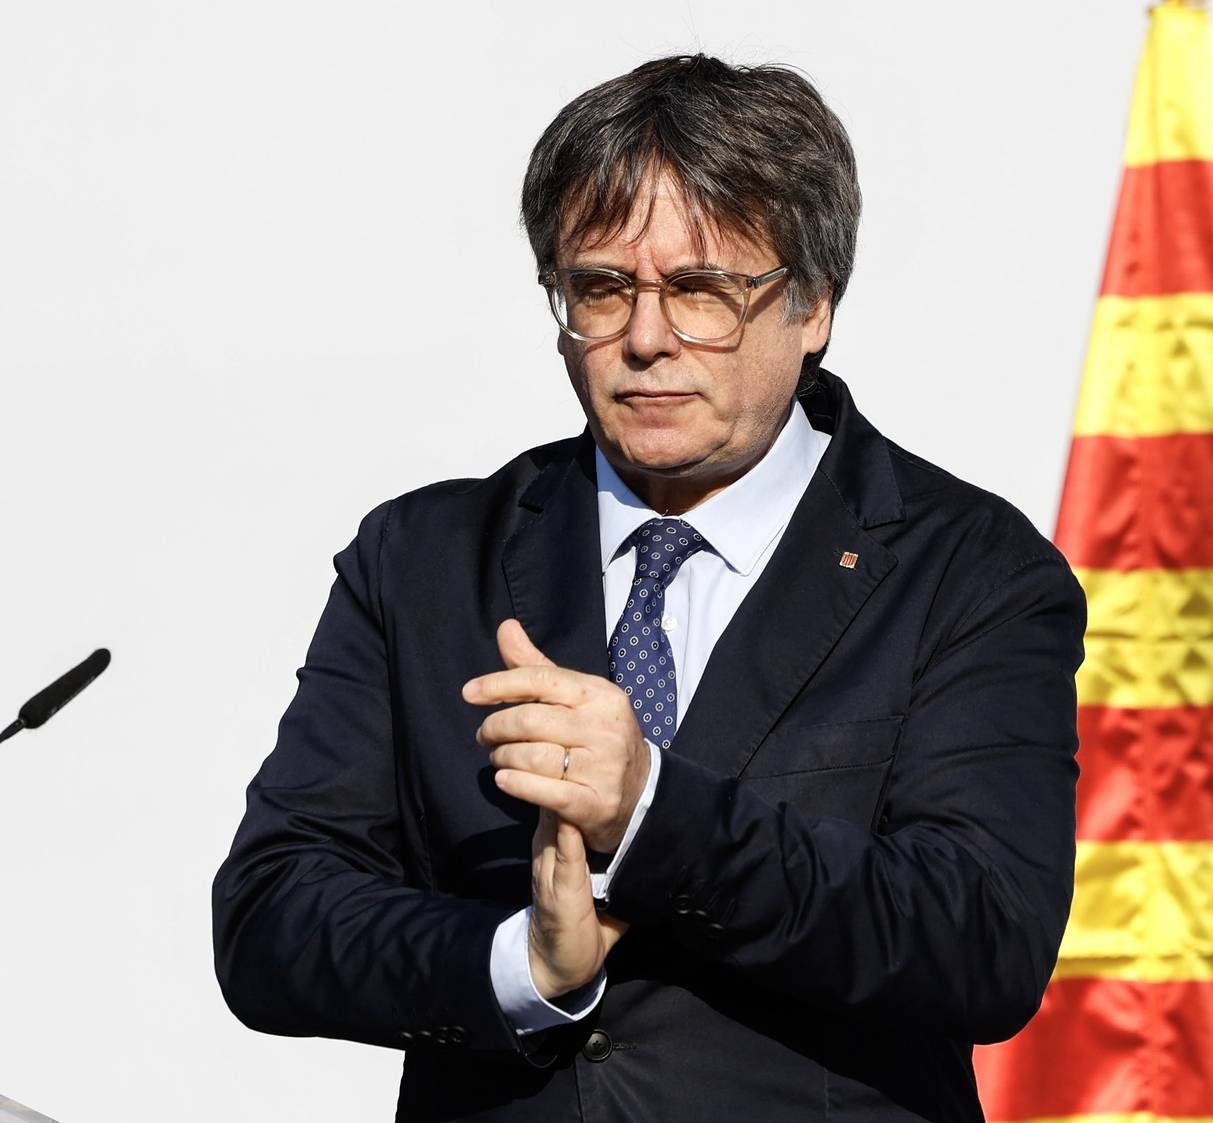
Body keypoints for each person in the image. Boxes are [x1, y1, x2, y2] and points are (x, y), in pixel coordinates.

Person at [212, 55, 1086, 1123]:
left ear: (811, 304)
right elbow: (272, 920)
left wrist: (653, 812)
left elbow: (980, 940)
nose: (644, 336)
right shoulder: (424, 559)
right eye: (601, 286)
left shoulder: (968, 569)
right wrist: (520, 965)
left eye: (701, 291)